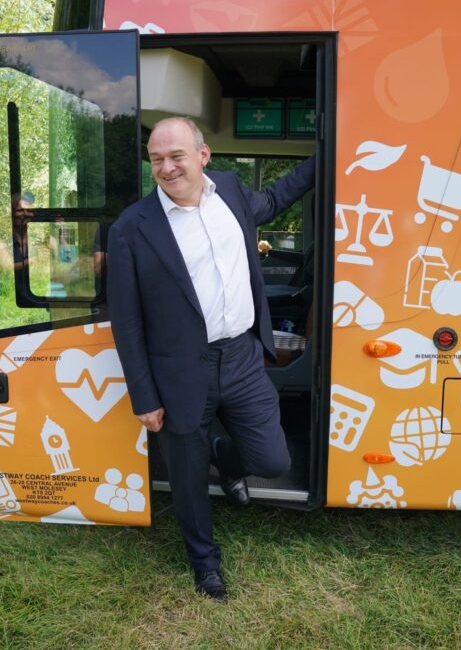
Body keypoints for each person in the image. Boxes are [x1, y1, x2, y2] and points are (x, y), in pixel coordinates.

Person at [107, 117, 315, 602]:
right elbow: (128, 323)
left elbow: (281, 195)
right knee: (187, 477)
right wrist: (144, 395)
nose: (166, 167)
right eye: (157, 159)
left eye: (176, 156)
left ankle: (230, 458)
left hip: (242, 356)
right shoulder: (131, 229)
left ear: (203, 156)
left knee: (273, 458)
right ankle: (205, 563)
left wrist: (331, 151)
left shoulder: (231, 192)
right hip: (179, 370)